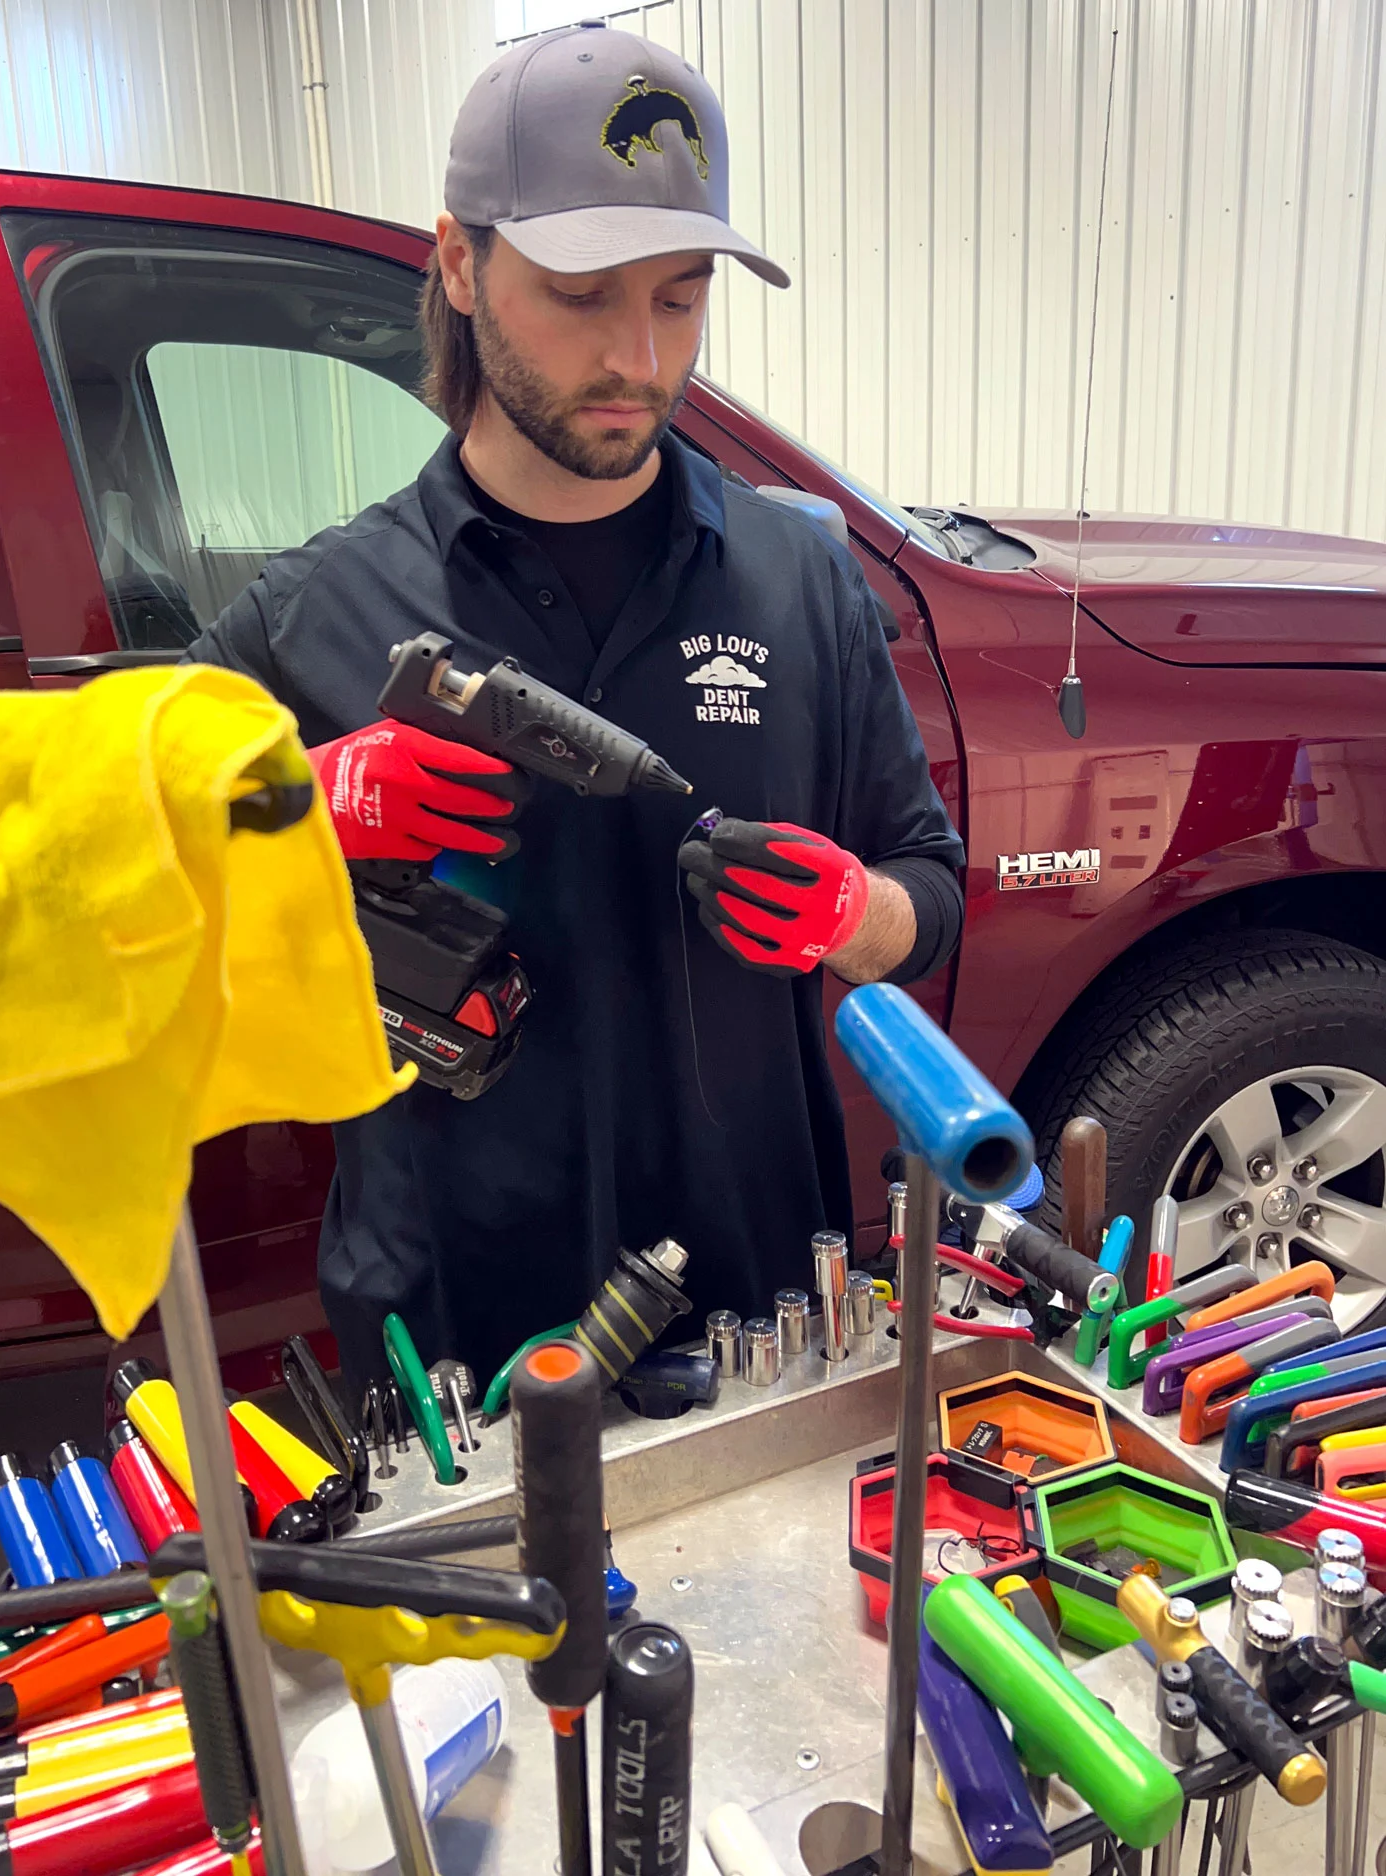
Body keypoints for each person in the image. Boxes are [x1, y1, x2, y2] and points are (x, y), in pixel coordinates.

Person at [184, 22, 965, 1398]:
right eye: (583, 293)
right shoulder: (315, 612)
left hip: (760, 1314)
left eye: (679, 297)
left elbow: (930, 891)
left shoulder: (803, 582)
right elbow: (140, 911)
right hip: (452, 1334)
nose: (639, 357)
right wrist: (293, 812)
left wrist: (857, 918)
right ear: (458, 261)